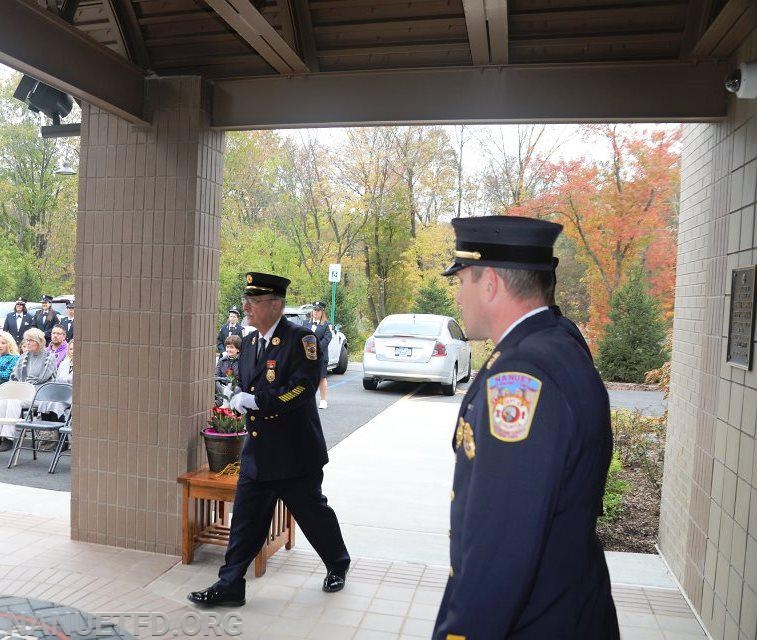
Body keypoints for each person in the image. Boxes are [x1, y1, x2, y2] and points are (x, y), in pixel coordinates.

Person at [433, 215, 619, 639]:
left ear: (490, 284)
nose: (459, 296)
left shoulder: (521, 376)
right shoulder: (557, 339)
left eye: (462, 281)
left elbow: (501, 550)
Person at [188, 271, 350, 607]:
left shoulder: (301, 339)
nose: (246, 307)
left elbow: (302, 390)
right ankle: (230, 584)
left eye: (254, 301)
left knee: (311, 514)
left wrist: (259, 401)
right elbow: (248, 385)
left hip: (294, 452)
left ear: (275, 304)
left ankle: (337, 563)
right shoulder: (248, 342)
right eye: (246, 300)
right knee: (246, 520)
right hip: (259, 451)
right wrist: (237, 397)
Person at [0, 328, 58, 452]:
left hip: (39, 395)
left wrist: (27, 384)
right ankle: (1, 436)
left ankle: (8, 438)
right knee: (4, 400)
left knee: (14, 401)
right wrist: (22, 385)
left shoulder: (49, 357)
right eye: (26, 340)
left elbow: (45, 378)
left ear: (39, 341)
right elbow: (14, 376)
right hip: (23, 393)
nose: (28, 342)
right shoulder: (23, 357)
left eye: (31, 340)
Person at [0, 331, 21, 451]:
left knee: (3, 401)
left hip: (8, 390)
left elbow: (6, 375)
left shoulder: (15, 358)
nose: (0, 345)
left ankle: (7, 437)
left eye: (3, 343)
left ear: (10, 344)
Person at [310, 301, 332, 409]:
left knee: (321, 378)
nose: (316, 312)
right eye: (314, 310)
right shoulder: (306, 323)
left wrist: (315, 350)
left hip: (320, 356)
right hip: (306, 357)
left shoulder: (327, 325)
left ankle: (323, 400)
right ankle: (308, 400)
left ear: (322, 312)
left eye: (318, 310)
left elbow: (327, 339)